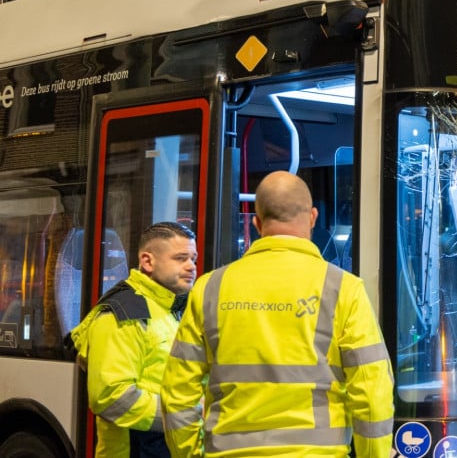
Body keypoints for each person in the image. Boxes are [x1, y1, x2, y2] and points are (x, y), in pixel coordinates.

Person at [160, 171, 394, 457]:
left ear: (257, 223)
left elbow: (176, 393)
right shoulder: (344, 288)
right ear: (312, 217)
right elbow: (371, 392)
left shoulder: (210, 288)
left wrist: (190, 454)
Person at [70, 221, 198, 458]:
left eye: (193, 259)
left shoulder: (171, 310)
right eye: (180, 258)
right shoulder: (122, 314)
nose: (191, 266)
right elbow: (110, 397)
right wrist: (183, 415)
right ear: (147, 261)